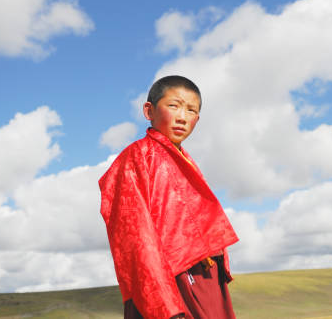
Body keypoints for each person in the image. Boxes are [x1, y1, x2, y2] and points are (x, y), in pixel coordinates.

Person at [99, 75, 239, 319]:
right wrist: (164, 305)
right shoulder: (137, 157)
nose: (182, 117)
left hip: (206, 279)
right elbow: (135, 236)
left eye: (191, 110)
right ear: (149, 110)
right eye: (174, 105)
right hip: (171, 282)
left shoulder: (187, 161)